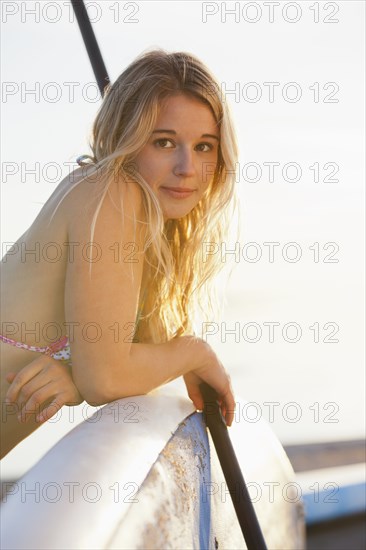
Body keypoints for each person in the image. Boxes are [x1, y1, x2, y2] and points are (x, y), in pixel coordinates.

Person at [0, 48, 239, 460]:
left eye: (204, 146)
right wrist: (195, 352)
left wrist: (78, 376)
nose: (187, 166)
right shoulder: (111, 193)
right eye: (164, 142)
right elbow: (107, 378)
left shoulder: (121, 210)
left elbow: (105, 371)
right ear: (126, 141)